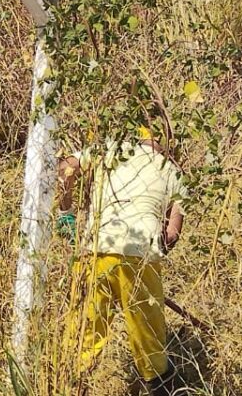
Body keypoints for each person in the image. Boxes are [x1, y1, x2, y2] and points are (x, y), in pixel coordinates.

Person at [58, 127, 186, 394]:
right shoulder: (174, 172)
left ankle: (70, 386)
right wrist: (160, 244)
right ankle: (158, 384)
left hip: (96, 251)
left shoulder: (110, 150)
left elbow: (65, 167)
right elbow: (172, 233)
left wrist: (66, 211)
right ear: (166, 143)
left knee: (85, 334)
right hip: (140, 259)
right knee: (148, 338)